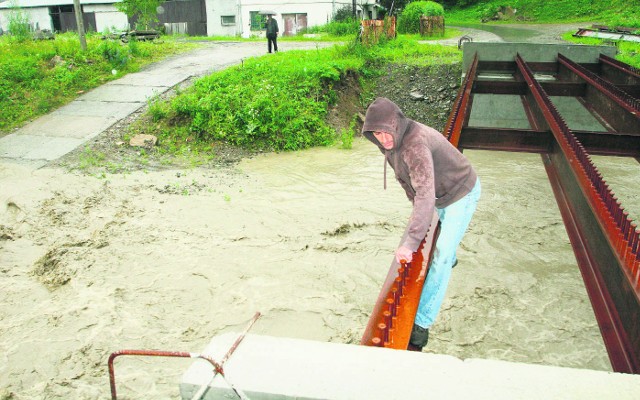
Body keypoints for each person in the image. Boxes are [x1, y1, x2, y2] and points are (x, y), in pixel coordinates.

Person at [361, 97, 481, 351]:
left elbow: (425, 194)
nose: (382, 139)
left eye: (385, 132)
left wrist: (411, 242)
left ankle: (423, 323)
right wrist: (418, 217)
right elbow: (410, 185)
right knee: (441, 241)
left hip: (461, 191)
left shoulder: (414, 144)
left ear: (396, 124)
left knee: (442, 256)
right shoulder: (392, 143)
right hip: (440, 192)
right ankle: (450, 251)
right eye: (376, 134)